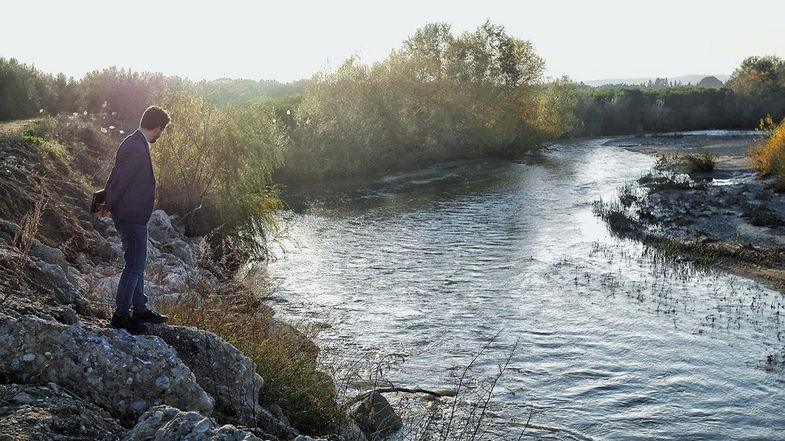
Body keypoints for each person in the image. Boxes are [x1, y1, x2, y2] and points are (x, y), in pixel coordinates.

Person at [99, 106, 171, 334]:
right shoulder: (137, 147)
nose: (161, 134)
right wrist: (107, 204)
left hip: (132, 215)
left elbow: (114, 174)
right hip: (131, 217)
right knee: (134, 267)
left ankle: (139, 309)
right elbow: (120, 180)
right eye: (162, 130)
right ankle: (120, 316)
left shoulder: (132, 142)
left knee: (136, 265)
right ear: (158, 128)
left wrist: (106, 202)